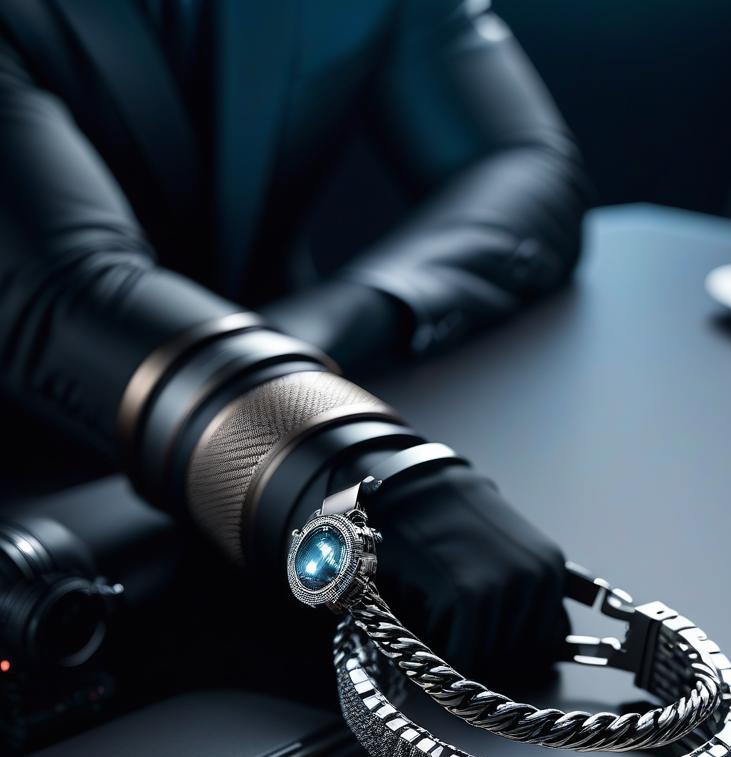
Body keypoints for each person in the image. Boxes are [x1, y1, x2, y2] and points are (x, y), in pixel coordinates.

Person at [0, 0, 589, 677]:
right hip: (46, 534)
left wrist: (330, 326)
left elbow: (526, 162)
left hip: (249, 500)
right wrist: (370, 481)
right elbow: (63, 293)